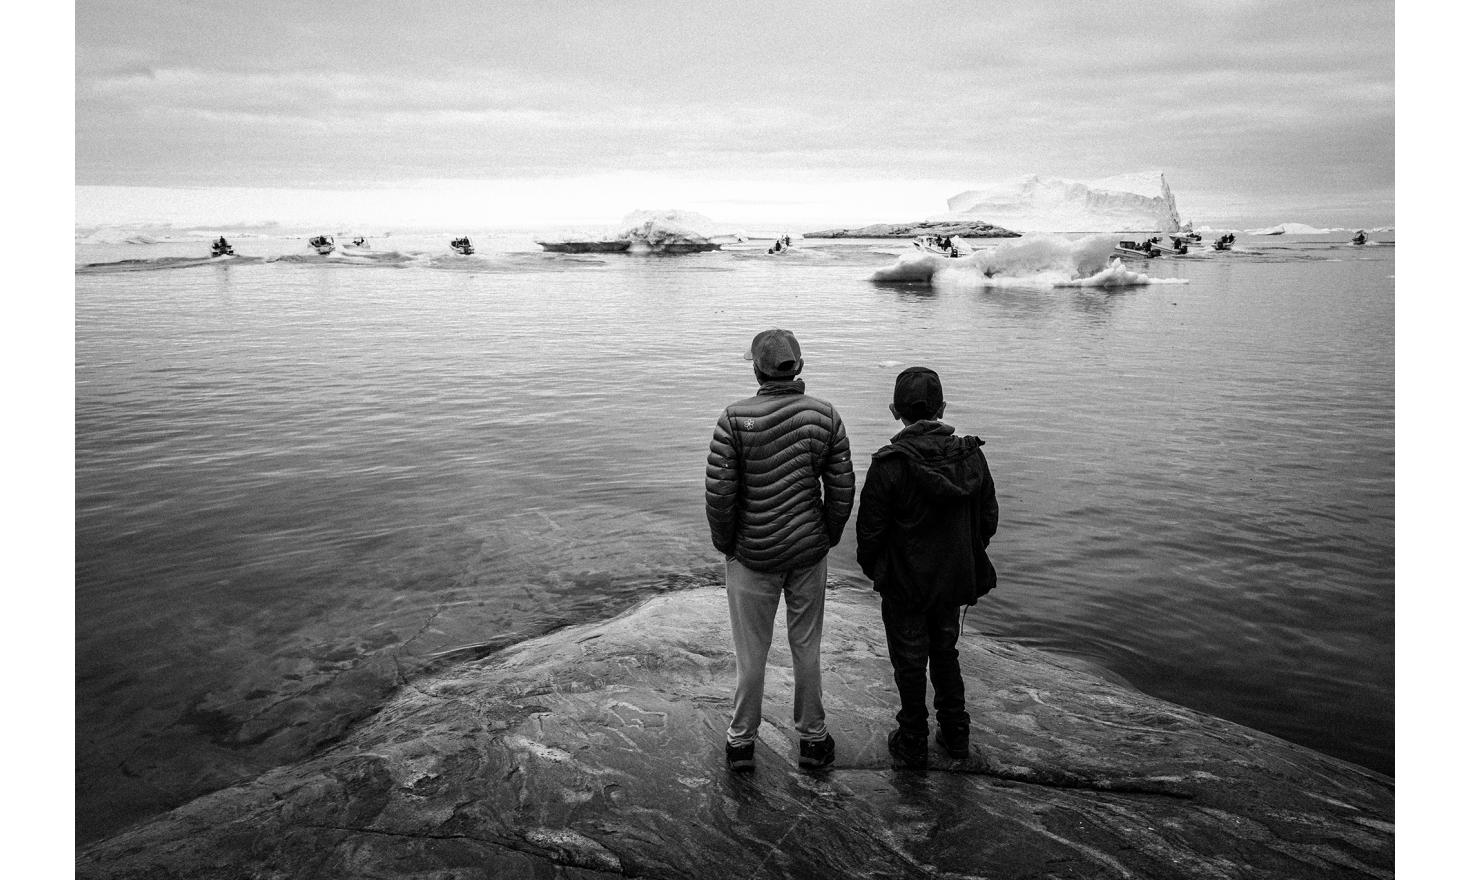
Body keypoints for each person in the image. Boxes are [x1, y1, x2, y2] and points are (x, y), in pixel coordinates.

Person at [706, 328, 855, 772]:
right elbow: (842, 488)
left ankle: (740, 744)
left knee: (751, 652)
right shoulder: (825, 416)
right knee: (806, 645)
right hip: (808, 550)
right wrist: (825, 535)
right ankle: (813, 740)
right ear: (800, 367)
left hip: (752, 554)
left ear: (756, 369)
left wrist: (727, 545)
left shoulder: (734, 419)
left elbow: (720, 494)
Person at [856, 367, 998, 770]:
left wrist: (883, 574)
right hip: (952, 580)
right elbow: (988, 519)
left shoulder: (889, 465)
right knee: (945, 651)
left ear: (893, 411)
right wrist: (962, 559)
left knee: (909, 660)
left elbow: (868, 535)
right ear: (943, 409)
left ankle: (913, 737)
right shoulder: (971, 456)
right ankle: (956, 733)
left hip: (904, 584)